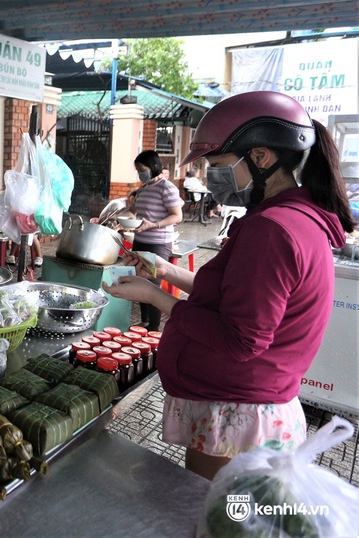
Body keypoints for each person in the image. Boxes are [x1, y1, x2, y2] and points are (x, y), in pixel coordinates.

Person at [102, 91, 354, 480]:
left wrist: (154, 297)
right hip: (249, 406)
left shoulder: (272, 231)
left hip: (240, 416)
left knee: (215, 518)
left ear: (260, 158)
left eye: (218, 164)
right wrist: (164, 272)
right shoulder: (290, 219)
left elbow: (242, 338)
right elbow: (230, 299)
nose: (211, 177)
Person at [130, 150, 184, 330]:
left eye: (142, 169)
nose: (140, 173)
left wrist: (154, 224)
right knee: (140, 281)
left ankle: (153, 330)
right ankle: (144, 321)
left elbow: (177, 216)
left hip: (158, 243)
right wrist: (118, 218)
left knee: (152, 286)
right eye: (137, 170)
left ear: (153, 167)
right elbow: (132, 210)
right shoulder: (144, 188)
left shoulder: (166, 188)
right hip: (140, 240)